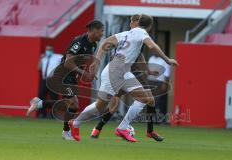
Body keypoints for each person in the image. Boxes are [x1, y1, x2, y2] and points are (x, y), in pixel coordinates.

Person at [69, 14, 178, 142]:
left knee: (146, 98)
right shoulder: (142, 33)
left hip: (123, 71)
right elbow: (152, 46)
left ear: (136, 22)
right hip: (114, 72)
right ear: (150, 26)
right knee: (100, 107)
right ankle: (75, 123)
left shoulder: (125, 34)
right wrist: (167, 59)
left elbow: (106, 42)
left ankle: (123, 127)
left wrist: (97, 61)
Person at [90, 14, 164, 142]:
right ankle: (99, 128)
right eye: (130, 22)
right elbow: (115, 55)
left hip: (130, 75)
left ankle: (149, 131)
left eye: (132, 22)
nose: (131, 24)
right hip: (118, 75)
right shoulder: (127, 37)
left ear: (137, 23)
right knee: (112, 106)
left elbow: (140, 58)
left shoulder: (138, 38)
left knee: (149, 99)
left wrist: (148, 71)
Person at [26, 20, 104, 140]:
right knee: (73, 104)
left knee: (71, 105)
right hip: (63, 75)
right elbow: (68, 62)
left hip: (72, 76)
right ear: (93, 30)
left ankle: (40, 105)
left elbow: (83, 60)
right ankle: (65, 131)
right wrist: (83, 72)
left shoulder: (93, 44)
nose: (102, 34)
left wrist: (90, 72)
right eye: (101, 31)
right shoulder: (79, 42)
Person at [37, 45, 62, 117]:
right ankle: (42, 113)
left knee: (54, 97)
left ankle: (52, 114)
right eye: (47, 50)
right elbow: (39, 68)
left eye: (50, 50)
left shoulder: (58, 57)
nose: (48, 51)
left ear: (53, 50)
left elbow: (64, 64)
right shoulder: (43, 58)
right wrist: (40, 58)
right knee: (41, 96)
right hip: (44, 79)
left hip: (53, 80)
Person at [148, 54, 171, 122]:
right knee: (151, 100)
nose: (154, 52)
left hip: (159, 82)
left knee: (159, 100)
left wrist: (164, 83)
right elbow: (148, 69)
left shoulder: (164, 59)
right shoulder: (151, 58)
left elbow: (167, 73)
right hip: (150, 81)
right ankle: (152, 118)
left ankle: (161, 118)